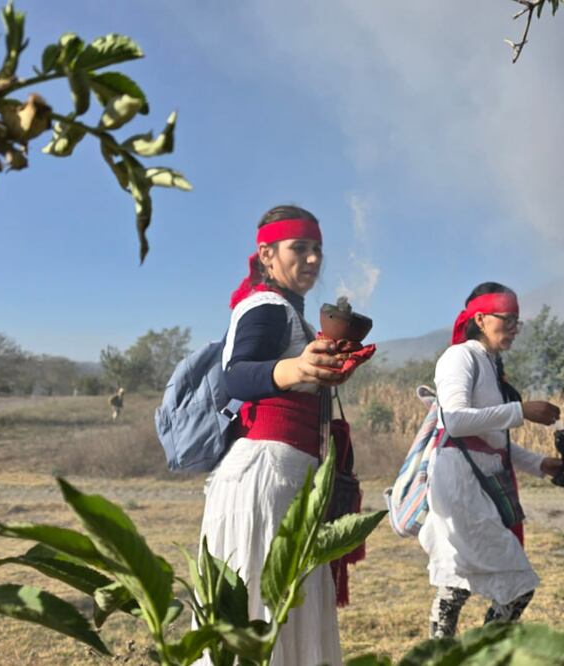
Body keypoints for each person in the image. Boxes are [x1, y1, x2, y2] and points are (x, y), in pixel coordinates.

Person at [198, 205, 353, 666]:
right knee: (263, 611)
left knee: (282, 609)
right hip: (267, 475)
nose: (312, 259)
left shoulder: (292, 314)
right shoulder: (266, 305)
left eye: (317, 249)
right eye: (299, 248)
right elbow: (237, 375)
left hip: (290, 474)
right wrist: (298, 369)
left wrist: (318, 370)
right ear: (267, 254)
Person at [420, 282, 564, 638]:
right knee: (516, 586)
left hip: (475, 481)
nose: (515, 328)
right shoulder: (461, 357)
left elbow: (489, 442)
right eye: (508, 319)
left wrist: (540, 464)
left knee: (457, 581)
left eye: (518, 320)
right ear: (481, 319)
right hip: (459, 485)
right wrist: (521, 410)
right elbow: (455, 421)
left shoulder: (490, 364)